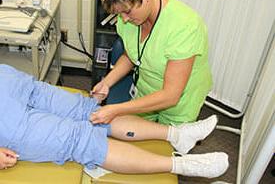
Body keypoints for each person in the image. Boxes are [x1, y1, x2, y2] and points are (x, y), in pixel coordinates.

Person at [0, 64, 228, 178]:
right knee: (81, 139)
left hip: (12, 83)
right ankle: (183, 166)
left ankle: (178, 135)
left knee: (91, 111)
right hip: (8, 123)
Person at [91, 0, 212, 126]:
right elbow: (131, 56)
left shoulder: (185, 26)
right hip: (145, 93)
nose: (124, 19)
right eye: (119, 14)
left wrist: (116, 110)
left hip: (178, 103)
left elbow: (171, 95)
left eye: (127, 11)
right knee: (133, 138)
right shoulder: (127, 19)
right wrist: (106, 82)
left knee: (164, 147)